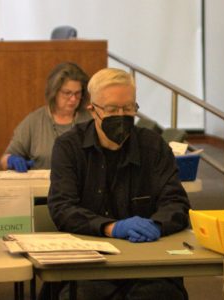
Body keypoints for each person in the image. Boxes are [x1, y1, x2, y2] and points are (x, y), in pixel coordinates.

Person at [47, 68, 190, 299]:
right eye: (113, 109)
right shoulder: (69, 147)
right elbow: (62, 208)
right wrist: (111, 228)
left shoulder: (153, 146)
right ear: (92, 110)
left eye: (129, 108)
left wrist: (157, 224)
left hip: (149, 264)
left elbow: (176, 202)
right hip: (90, 266)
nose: (122, 115)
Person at [0, 62, 92, 172]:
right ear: (54, 92)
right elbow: (4, 160)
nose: (73, 99)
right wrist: (11, 160)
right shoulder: (34, 121)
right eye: (67, 93)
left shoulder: (90, 120)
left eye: (77, 93)